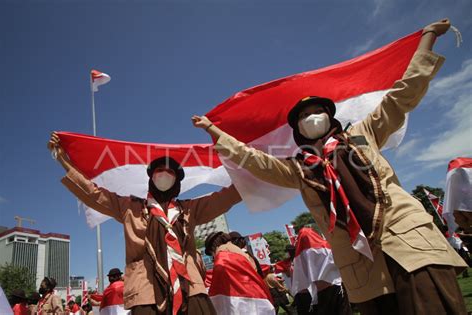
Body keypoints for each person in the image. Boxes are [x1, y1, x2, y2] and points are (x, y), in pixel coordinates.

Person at [192, 19, 468, 314]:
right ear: (298, 130)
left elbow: (402, 95)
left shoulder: (365, 134)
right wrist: (216, 132)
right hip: (363, 267)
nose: (312, 118)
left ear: (330, 117)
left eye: (317, 112)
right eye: (304, 116)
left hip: (410, 246)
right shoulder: (300, 170)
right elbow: (259, 163)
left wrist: (427, 39)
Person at [48, 133, 242, 315]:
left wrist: (256, 166)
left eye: (170, 172)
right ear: (151, 177)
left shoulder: (189, 209)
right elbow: (92, 193)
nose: (164, 174)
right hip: (145, 289)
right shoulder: (129, 207)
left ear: (176, 180)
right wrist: (63, 160)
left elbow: (225, 198)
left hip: (190, 287)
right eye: (159, 170)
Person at [205, 232, 275, 314]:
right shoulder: (241, 252)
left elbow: (220, 277)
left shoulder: (222, 255)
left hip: (242, 296)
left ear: (213, 247)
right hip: (256, 292)